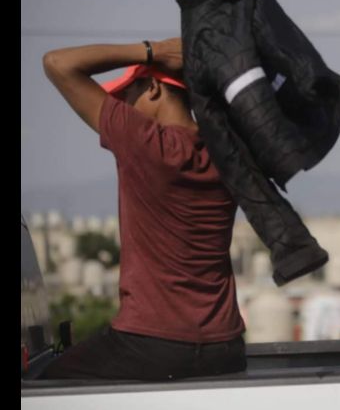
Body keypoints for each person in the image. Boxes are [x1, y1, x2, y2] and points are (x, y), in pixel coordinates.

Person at [38, 37, 246, 380]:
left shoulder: (146, 142)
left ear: (153, 89)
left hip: (150, 344)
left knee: (43, 389)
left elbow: (57, 63)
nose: (125, 106)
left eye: (127, 96)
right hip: (225, 346)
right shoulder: (229, 151)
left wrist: (151, 51)